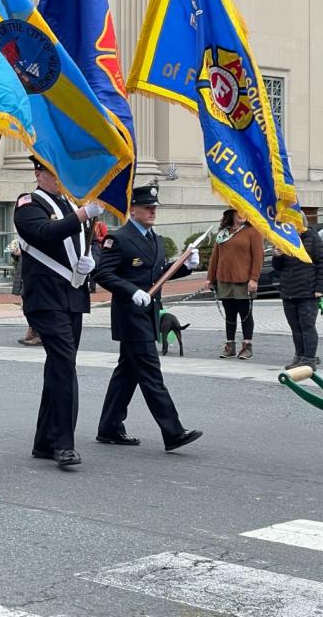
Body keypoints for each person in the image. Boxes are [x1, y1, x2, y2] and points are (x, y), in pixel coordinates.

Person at [94, 185, 204, 452]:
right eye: (147, 208)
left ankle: (109, 426)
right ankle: (173, 432)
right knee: (151, 373)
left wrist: (185, 266)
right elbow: (103, 274)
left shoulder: (155, 239)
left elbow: (159, 274)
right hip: (130, 316)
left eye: (155, 208)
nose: (153, 212)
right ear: (133, 209)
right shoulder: (118, 238)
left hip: (149, 314)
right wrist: (132, 291)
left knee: (127, 374)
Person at [14, 157, 105, 468]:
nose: (59, 178)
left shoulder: (70, 204)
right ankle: (63, 444)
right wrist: (83, 213)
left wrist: (91, 259)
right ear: (38, 173)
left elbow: (89, 241)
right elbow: (42, 233)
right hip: (46, 297)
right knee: (65, 365)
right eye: (53, 172)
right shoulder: (28, 203)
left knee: (59, 366)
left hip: (73, 295)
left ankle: (44, 441)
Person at [205, 208, 264, 360]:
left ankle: (247, 346)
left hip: (244, 281)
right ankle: (230, 346)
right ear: (231, 214)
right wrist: (210, 278)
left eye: (245, 212)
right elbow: (215, 257)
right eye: (239, 212)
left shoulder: (253, 232)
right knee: (229, 314)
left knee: (245, 314)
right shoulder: (223, 233)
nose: (243, 215)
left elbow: (258, 257)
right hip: (224, 280)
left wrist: (254, 279)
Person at [273, 224, 323, 370]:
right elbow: (278, 267)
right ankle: (300, 356)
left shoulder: (312, 238)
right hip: (289, 291)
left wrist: (320, 288)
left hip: (308, 292)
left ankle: (309, 358)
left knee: (307, 326)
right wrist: (277, 256)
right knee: (295, 328)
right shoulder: (284, 239)